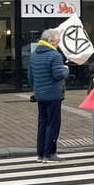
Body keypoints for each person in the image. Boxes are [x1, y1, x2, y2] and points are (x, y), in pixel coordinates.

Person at [29, 29, 69, 163]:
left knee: (42, 124)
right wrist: (66, 69)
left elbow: (30, 77)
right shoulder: (55, 55)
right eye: (58, 40)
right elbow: (58, 75)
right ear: (51, 41)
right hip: (53, 94)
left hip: (40, 94)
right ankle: (50, 153)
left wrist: (37, 89)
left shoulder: (34, 54)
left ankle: (40, 154)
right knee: (53, 124)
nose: (58, 43)